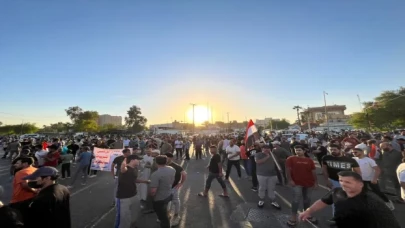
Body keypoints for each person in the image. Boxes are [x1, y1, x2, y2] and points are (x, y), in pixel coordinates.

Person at [299, 171, 401, 228]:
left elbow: (389, 222)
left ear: (361, 184)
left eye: (348, 182)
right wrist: (309, 211)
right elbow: (323, 201)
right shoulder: (337, 192)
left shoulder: (371, 201)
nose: (343, 184)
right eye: (341, 181)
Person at [285, 145, 318, 226]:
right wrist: (290, 180)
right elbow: (287, 170)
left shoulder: (309, 160)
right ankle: (293, 217)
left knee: (307, 200)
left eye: (299, 150)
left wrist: (316, 182)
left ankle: (306, 214)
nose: (297, 151)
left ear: (304, 151)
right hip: (296, 183)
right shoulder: (290, 159)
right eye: (296, 150)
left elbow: (313, 172)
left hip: (309, 183)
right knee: (296, 200)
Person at [115, 155, 150, 228]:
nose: (139, 161)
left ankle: (132, 225)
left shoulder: (135, 169)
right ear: (132, 160)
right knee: (124, 217)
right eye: (138, 159)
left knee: (135, 212)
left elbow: (134, 179)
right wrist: (123, 163)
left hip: (134, 195)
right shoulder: (126, 168)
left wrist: (145, 181)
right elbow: (123, 169)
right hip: (123, 197)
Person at [149, 155, 176, 228]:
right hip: (168, 194)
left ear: (156, 162)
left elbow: (153, 191)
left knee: (163, 218)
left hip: (159, 198)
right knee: (165, 210)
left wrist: (151, 197)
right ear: (166, 161)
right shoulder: (172, 169)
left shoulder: (155, 174)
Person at [255, 144, 280, 209]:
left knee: (271, 188)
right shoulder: (258, 154)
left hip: (272, 175)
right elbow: (258, 162)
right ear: (262, 149)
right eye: (264, 148)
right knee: (262, 187)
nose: (266, 149)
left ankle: (273, 201)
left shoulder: (273, 155)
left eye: (268, 148)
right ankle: (261, 200)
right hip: (261, 174)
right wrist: (267, 157)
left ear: (270, 149)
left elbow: (277, 164)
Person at [166, 153, 187, 226]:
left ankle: (176, 214)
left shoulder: (177, 166)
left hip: (174, 187)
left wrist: (181, 183)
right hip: (165, 188)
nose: (166, 159)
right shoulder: (163, 165)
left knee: (175, 201)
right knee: (167, 201)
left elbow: (184, 174)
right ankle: (168, 214)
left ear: (171, 158)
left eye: (167, 158)